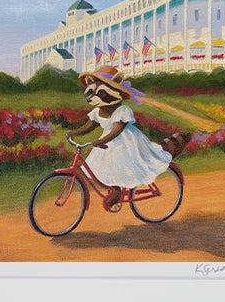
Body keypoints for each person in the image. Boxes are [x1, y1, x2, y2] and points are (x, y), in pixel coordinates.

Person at [66, 66, 190, 211]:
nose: (92, 97)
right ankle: (114, 189)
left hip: (125, 143)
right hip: (108, 143)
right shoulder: (98, 110)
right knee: (103, 167)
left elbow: (118, 130)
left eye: (100, 93)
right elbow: (90, 125)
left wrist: (102, 140)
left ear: (115, 93)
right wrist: (75, 133)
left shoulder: (122, 110)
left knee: (121, 166)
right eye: (91, 92)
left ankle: (117, 192)